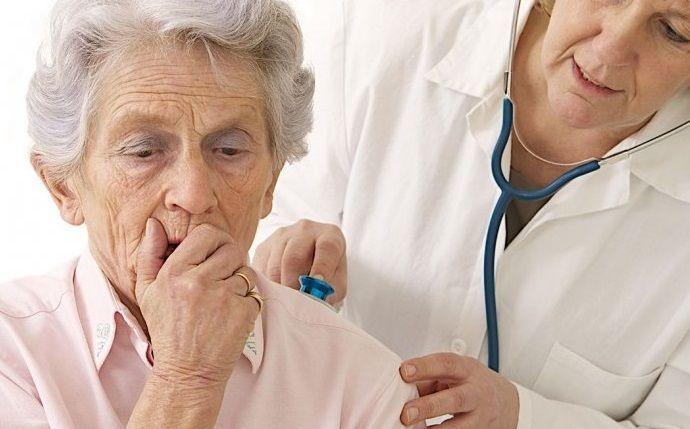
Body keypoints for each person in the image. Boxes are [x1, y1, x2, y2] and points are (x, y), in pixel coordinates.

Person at [253, 0, 690, 427]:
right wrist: (283, 248)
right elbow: (256, 220)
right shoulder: (382, 35)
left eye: (674, 31)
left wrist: (522, 416)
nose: (610, 50)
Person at [0, 1, 425, 428]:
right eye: (144, 151)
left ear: (271, 182)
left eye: (229, 149)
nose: (194, 194)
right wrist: (185, 379)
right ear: (63, 186)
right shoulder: (12, 355)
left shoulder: (364, 383)